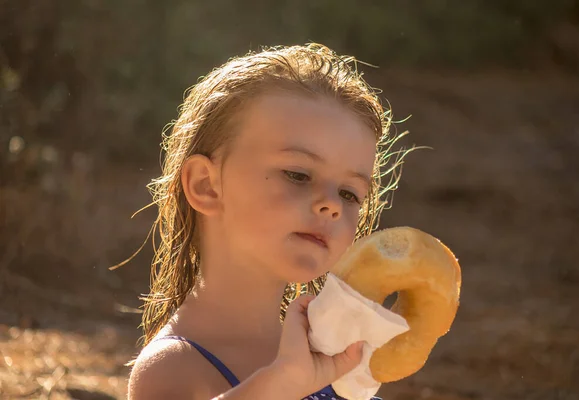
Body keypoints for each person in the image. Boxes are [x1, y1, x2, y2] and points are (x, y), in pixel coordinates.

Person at [126, 43, 406, 400]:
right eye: (298, 174)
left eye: (350, 193)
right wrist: (282, 383)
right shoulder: (174, 366)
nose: (332, 206)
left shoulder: (335, 360)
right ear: (206, 185)